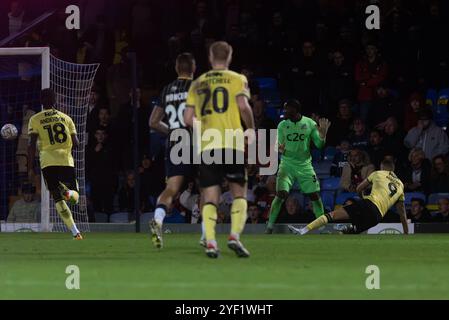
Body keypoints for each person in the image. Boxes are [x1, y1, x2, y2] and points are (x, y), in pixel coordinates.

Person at [183, 41, 255, 258]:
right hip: (232, 142)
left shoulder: (198, 83)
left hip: (208, 145)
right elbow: (243, 106)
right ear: (229, 57)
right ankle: (234, 236)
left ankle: (212, 241)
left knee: (211, 196)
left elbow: (187, 118)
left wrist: (201, 126)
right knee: (238, 193)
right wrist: (250, 128)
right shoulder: (238, 79)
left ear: (210, 58)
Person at [148, 53, 197, 249]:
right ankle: (206, 237)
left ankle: (158, 220)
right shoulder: (196, 88)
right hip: (194, 141)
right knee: (208, 188)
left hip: (175, 141)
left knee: (171, 188)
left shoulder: (167, 90)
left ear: (177, 69)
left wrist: (171, 132)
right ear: (193, 69)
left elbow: (153, 121)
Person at [289, 159, 409, 235]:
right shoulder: (400, 185)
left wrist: (362, 198)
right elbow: (402, 214)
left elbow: (359, 189)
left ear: (382, 167)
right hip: (376, 217)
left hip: (369, 204)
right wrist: (406, 234)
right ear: (393, 169)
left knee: (332, 215)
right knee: (350, 233)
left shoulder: (377, 173)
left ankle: (303, 230)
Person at [265, 99, 331, 234]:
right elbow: (278, 144)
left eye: (286, 109)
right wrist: (280, 148)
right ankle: (269, 227)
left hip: (305, 165)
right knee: (280, 194)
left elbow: (319, 145)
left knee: (314, 196)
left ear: (295, 110)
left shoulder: (309, 123)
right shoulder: (282, 125)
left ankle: (323, 228)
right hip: (287, 164)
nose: (284, 111)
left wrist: (322, 136)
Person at [27, 88, 83, 239]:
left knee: (57, 198)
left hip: (47, 162)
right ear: (55, 100)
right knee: (74, 197)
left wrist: (30, 167)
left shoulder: (35, 119)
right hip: (66, 160)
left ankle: (75, 232)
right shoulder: (66, 118)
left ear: (41, 101)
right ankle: (68, 192)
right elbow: (77, 144)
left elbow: (31, 145)